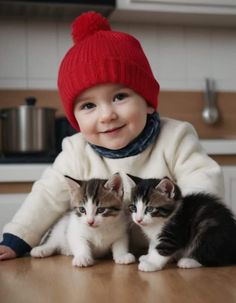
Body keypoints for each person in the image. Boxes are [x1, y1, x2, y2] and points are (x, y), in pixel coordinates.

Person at [0, 11, 223, 260]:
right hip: (107, 265)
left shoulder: (175, 137)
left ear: (148, 102)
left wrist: (184, 232)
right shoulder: (76, 151)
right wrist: (16, 238)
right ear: (75, 119)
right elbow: (46, 197)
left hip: (167, 256)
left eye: (119, 97)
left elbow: (203, 183)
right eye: (88, 106)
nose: (106, 115)